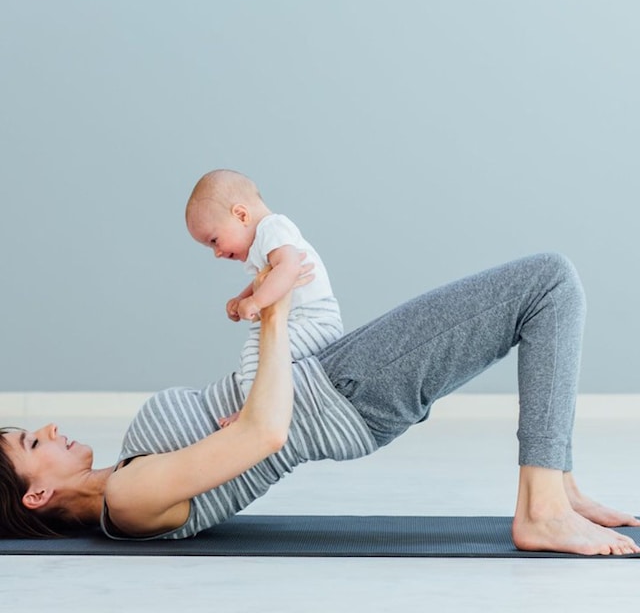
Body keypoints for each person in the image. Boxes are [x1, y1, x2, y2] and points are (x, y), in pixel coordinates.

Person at [1, 252, 639, 555]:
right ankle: (541, 509)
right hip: (348, 394)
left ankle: (557, 484)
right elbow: (266, 432)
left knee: (545, 291)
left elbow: (244, 431)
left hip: (334, 377)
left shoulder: (125, 475)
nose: (48, 429)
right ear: (36, 495)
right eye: (32, 443)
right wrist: (273, 312)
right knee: (549, 284)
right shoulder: (128, 500)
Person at [185, 169, 343, 408]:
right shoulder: (264, 243)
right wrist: (242, 298)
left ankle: (255, 412)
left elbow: (288, 268)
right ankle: (266, 409)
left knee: (258, 357)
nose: (217, 253)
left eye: (214, 241)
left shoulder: (273, 227)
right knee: (264, 359)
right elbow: (267, 277)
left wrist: (256, 302)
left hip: (314, 321)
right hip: (301, 322)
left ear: (240, 215)